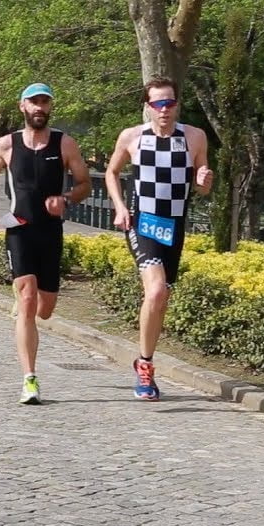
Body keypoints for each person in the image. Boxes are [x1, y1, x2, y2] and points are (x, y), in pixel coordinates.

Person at [0, 83, 91, 404]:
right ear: (23, 107)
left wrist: (66, 199)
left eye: (45, 102)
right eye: (34, 102)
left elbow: (84, 183)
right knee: (27, 299)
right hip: (19, 228)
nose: (39, 107)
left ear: (50, 107)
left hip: (50, 231)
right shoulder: (6, 144)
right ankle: (30, 379)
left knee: (45, 309)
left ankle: (27, 306)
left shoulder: (64, 143)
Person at [104, 76, 213, 401]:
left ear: (177, 105)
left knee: (161, 297)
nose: (164, 109)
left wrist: (205, 180)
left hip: (174, 225)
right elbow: (111, 172)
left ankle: (144, 357)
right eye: (158, 104)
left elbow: (201, 186)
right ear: (148, 107)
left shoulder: (194, 137)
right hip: (143, 223)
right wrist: (120, 207)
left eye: (169, 103)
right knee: (155, 291)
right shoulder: (132, 137)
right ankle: (146, 367)